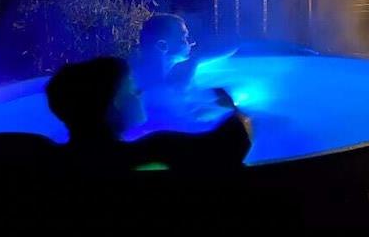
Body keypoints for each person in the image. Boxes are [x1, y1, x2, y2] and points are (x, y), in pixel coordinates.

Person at [45, 56, 251, 175]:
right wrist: (229, 105)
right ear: (115, 103)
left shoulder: (51, 161)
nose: (140, 94)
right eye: (132, 89)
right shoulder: (156, 149)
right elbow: (234, 144)